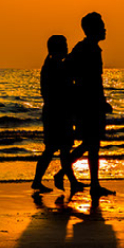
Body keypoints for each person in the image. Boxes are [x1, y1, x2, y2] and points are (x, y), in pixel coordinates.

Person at [66, 12, 116, 205]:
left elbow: (95, 80)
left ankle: (94, 184)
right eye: (101, 26)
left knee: (92, 144)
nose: (105, 29)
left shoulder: (90, 49)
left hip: (91, 102)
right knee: (90, 143)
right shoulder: (87, 49)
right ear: (92, 29)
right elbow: (91, 80)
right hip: (88, 104)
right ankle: (64, 172)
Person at [31, 35, 83, 197]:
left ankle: (42, 180)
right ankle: (70, 181)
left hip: (53, 112)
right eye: (65, 45)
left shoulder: (50, 65)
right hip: (58, 113)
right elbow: (65, 89)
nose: (67, 48)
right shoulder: (55, 67)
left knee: (55, 149)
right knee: (61, 149)